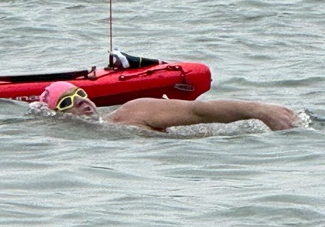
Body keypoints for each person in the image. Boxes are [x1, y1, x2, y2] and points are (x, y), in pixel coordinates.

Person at [36, 81, 300, 133]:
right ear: (58, 115)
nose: (81, 101)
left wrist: (259, 110)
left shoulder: (130, 113)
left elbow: (199, 111)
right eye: (67, 101)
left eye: (80, 93)